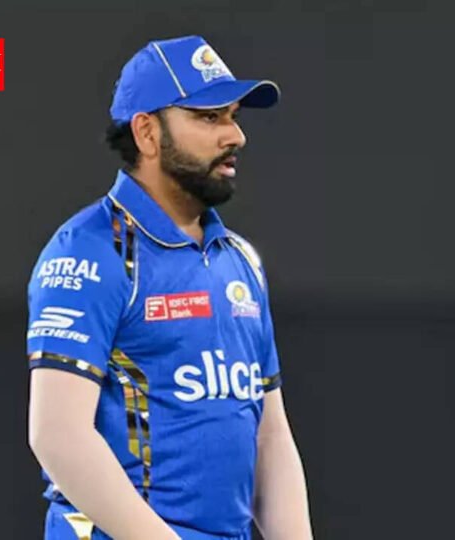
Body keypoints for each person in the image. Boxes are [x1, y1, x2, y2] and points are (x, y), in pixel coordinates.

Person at [26, 35, 312, 540]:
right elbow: (58, 436)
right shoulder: (88, 251)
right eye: (209, 117)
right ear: (147, 132)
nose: (236, 135)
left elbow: (270, 436)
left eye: (233, 117)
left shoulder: (240, 260)